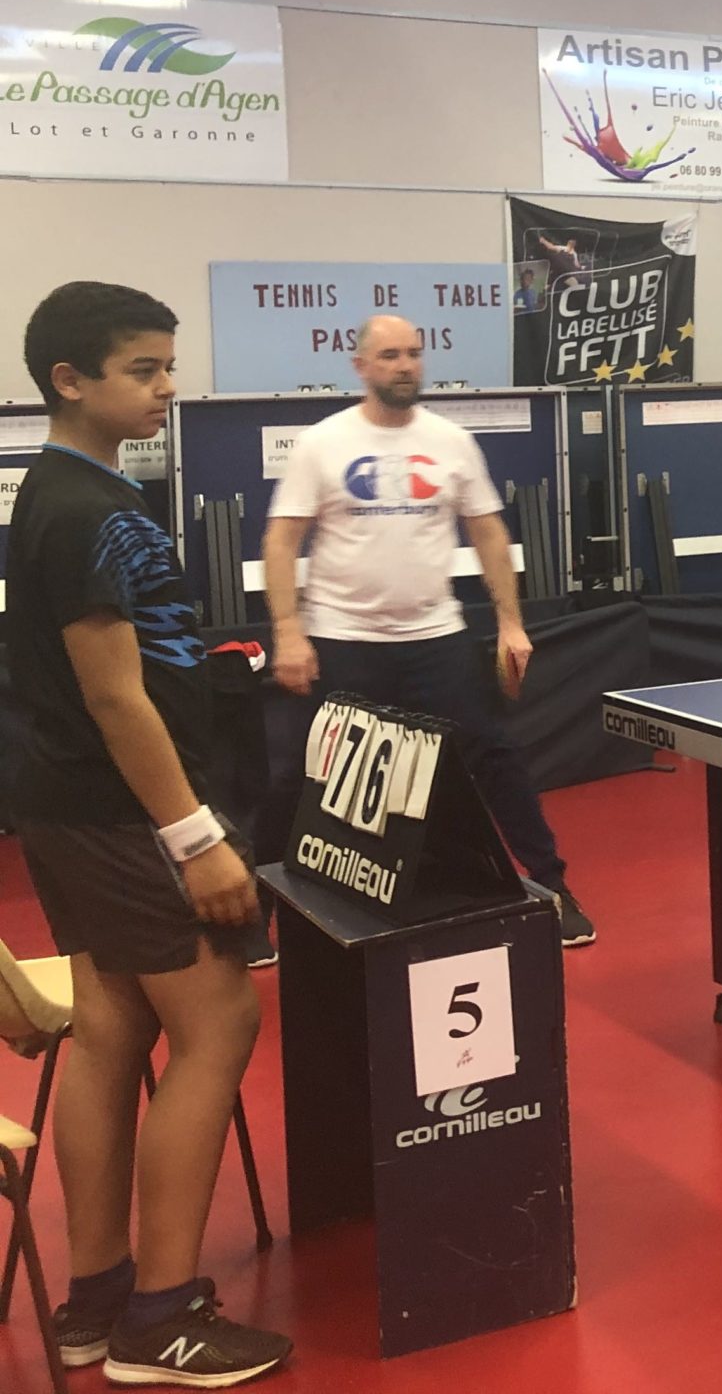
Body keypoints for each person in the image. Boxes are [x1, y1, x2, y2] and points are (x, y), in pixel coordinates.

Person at [5, 282, 294, 1384]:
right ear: (69, 380)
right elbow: (115, 695)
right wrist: (193, 835)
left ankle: (97, 1299)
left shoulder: (66, 491)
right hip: (123, 814)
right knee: (219, 1021)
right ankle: (160, 1320)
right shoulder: (88, 511)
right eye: (143, 369)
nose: (168, 387)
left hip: (69, 807)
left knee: (113, 1026)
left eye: (169, 366)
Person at [260, 316, 591, 947]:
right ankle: (258, 912)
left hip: (435, 637)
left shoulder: (451, 441)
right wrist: (289, 632)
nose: (405, 365)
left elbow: (488, 531)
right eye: (389, 355)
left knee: (493, 754)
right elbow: (282, 540)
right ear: (361, 366)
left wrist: (511, 624)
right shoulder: (322, 443)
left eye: (414, 353)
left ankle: (552, 887)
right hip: (342, 639)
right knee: (304, 774)